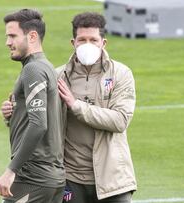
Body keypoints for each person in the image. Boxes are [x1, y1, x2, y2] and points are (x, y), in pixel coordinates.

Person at [57, 12, 137, 203]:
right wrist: (11, 114)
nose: (87, 45)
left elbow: (120, 120)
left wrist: (76, 106)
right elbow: (41, 119)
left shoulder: (121, 74)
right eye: (82, 39)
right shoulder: (58, 76)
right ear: (73, 43)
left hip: (112, 179)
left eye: (93, 40)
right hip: (71, 179)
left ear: (103, 42)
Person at [0, 9, 65, 203]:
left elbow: (39, 124)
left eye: (12, 36)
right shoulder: (44, 66)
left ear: (32, 36)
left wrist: (11, 170)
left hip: (33, 176)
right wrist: (14, 113)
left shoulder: (33, 69)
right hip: (48, 176)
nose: (7, 42)